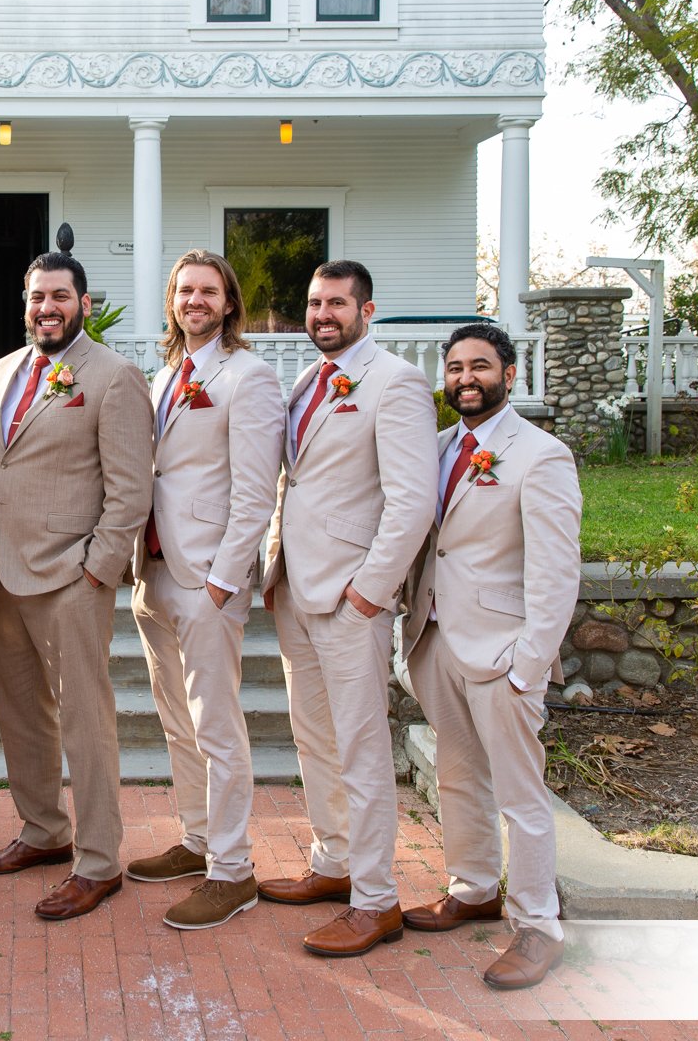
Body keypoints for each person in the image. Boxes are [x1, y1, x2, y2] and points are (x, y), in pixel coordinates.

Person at [0, 250, 154, 920]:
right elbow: (2, 469)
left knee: (85, 721)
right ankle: (44, 831)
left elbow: (131, 492)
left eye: (59, 296)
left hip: (69, 577)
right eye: (36, 296)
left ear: (84, 303)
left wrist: (96, 570)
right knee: (21, 714)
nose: (46, 307)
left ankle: (99, 861)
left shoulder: (115, 377)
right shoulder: (2, 370)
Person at [259, 260, 437, 958]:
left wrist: (371, 589)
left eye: (337, 302)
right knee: (314, 736)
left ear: (367, 309)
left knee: (360, 747)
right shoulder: (306, 380)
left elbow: (412, 500)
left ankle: (375, 899)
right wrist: (276, 565)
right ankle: (333, 864)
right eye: (314, 302)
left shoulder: (396, 383)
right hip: (296, 588)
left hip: (349, 598)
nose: (323, 313)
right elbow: (296, 480)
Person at [399, 323, 579, 990]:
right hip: (436, 639)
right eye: (454, 367)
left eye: (479, 366)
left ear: (509, 373)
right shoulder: (439, 447)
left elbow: (557, 573)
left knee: (520, 795)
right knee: (456, 775)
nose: (465, 378)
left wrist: (528, 664)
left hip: (502, 652)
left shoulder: (541, 455)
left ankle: (538, 926)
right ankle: (473, 886)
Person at [128, 250, 285, 929]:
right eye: (183, 290)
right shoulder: (166, 376)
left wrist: (225, 580)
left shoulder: (247, 377)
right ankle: (196, 839)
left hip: (205, 580)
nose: (194, 300)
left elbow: (254, 490)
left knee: (216, 724)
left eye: (207, 291)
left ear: (229, 304)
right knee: (176, 718)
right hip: (155, 571)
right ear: (172, 301)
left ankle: (233, 869)